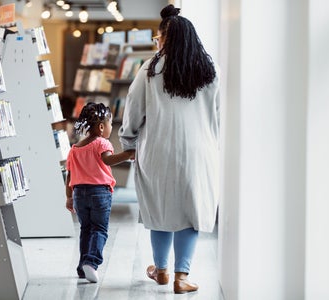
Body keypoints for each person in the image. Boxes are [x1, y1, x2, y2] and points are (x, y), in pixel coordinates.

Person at [118, 4, 220, 294]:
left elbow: (133, 110)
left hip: (157, 151)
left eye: (157, 39)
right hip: (199, 153)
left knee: (159, 210)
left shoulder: (150, 70)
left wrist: (128, 143)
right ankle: (181, 276)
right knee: (191, 211)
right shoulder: (210, 71)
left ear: (164, 39)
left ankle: (160, 270)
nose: (157, 43)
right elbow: (219, 115)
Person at [65, 102, 135, 283]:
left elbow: (69, 175)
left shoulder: (75, 149)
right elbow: (109, 161)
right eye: (110, 124)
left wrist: (69, 197)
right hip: (99, 193)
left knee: (86, 229)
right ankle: (92, 262)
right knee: (100, 229)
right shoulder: (102, 143)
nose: (111, 128)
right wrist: (128, 154)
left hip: (79, 193)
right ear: (102, 126)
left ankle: (82, 266)